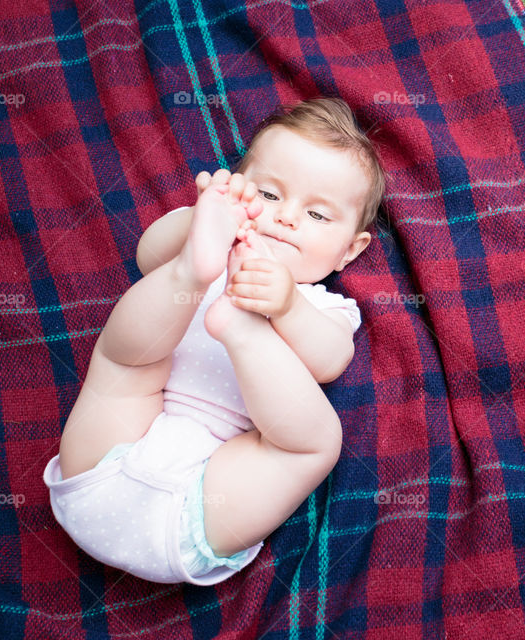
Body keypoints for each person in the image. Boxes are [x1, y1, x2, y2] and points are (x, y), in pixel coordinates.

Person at [43, 97, 385, 584]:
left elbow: (331, 360)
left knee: (315, 445)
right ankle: (189, 273)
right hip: (114, 449)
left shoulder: (322, 306)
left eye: (317, 215)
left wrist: (285, 307)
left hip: (207, 496)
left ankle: (244, 332)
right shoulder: (213, 242)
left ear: (350, 250)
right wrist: (200, 221)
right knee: (127, 361)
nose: (285, 217)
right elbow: (147, 256)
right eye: (268, 195)